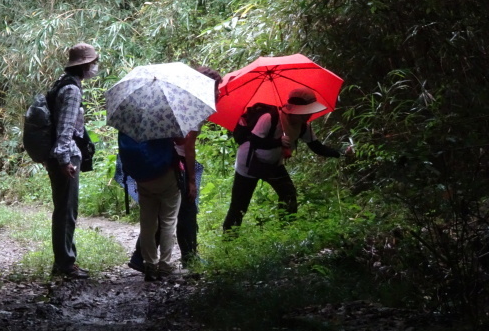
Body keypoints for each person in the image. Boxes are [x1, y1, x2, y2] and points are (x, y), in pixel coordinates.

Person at [128, 65, 222, 272]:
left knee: (158, 214)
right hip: (175, 163)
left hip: (156, 161)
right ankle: (187, 258)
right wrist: (190, 180)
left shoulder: (170, 99)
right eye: (217, 88)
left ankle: (141, 257)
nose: (219, 93)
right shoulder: (193, 105)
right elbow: (188, 148)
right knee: (185, 210)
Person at [222, 87, 342, 231]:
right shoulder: (269, 117)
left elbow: (317, 147)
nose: (308, 116)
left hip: (273, 164)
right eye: (305, 112)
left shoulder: (304, 126)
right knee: (239, 205)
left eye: (309, 112)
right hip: (249, 163)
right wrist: (277, 142)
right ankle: (228, 243)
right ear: (295, 110)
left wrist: (340, 153)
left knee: (288, 195)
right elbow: (255, 142)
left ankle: (286, 232)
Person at [47, 42, 99, 279]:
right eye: (93, 63)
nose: (95, 67)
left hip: (60, 156)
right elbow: (65, 128)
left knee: (64, 209)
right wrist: (65, 160)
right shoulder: (71, 90)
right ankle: (65, 263)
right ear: (85, 65)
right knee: (67, 210)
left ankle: (63, 261)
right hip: (65, 159)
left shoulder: (63, 82)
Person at [118, 134, 181, 282]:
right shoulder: (162, 121)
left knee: (147, 223)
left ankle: (150, 266)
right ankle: (165, 266)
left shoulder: (131, 124)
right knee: (168, 221)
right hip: (166, 176)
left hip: (143, 178)